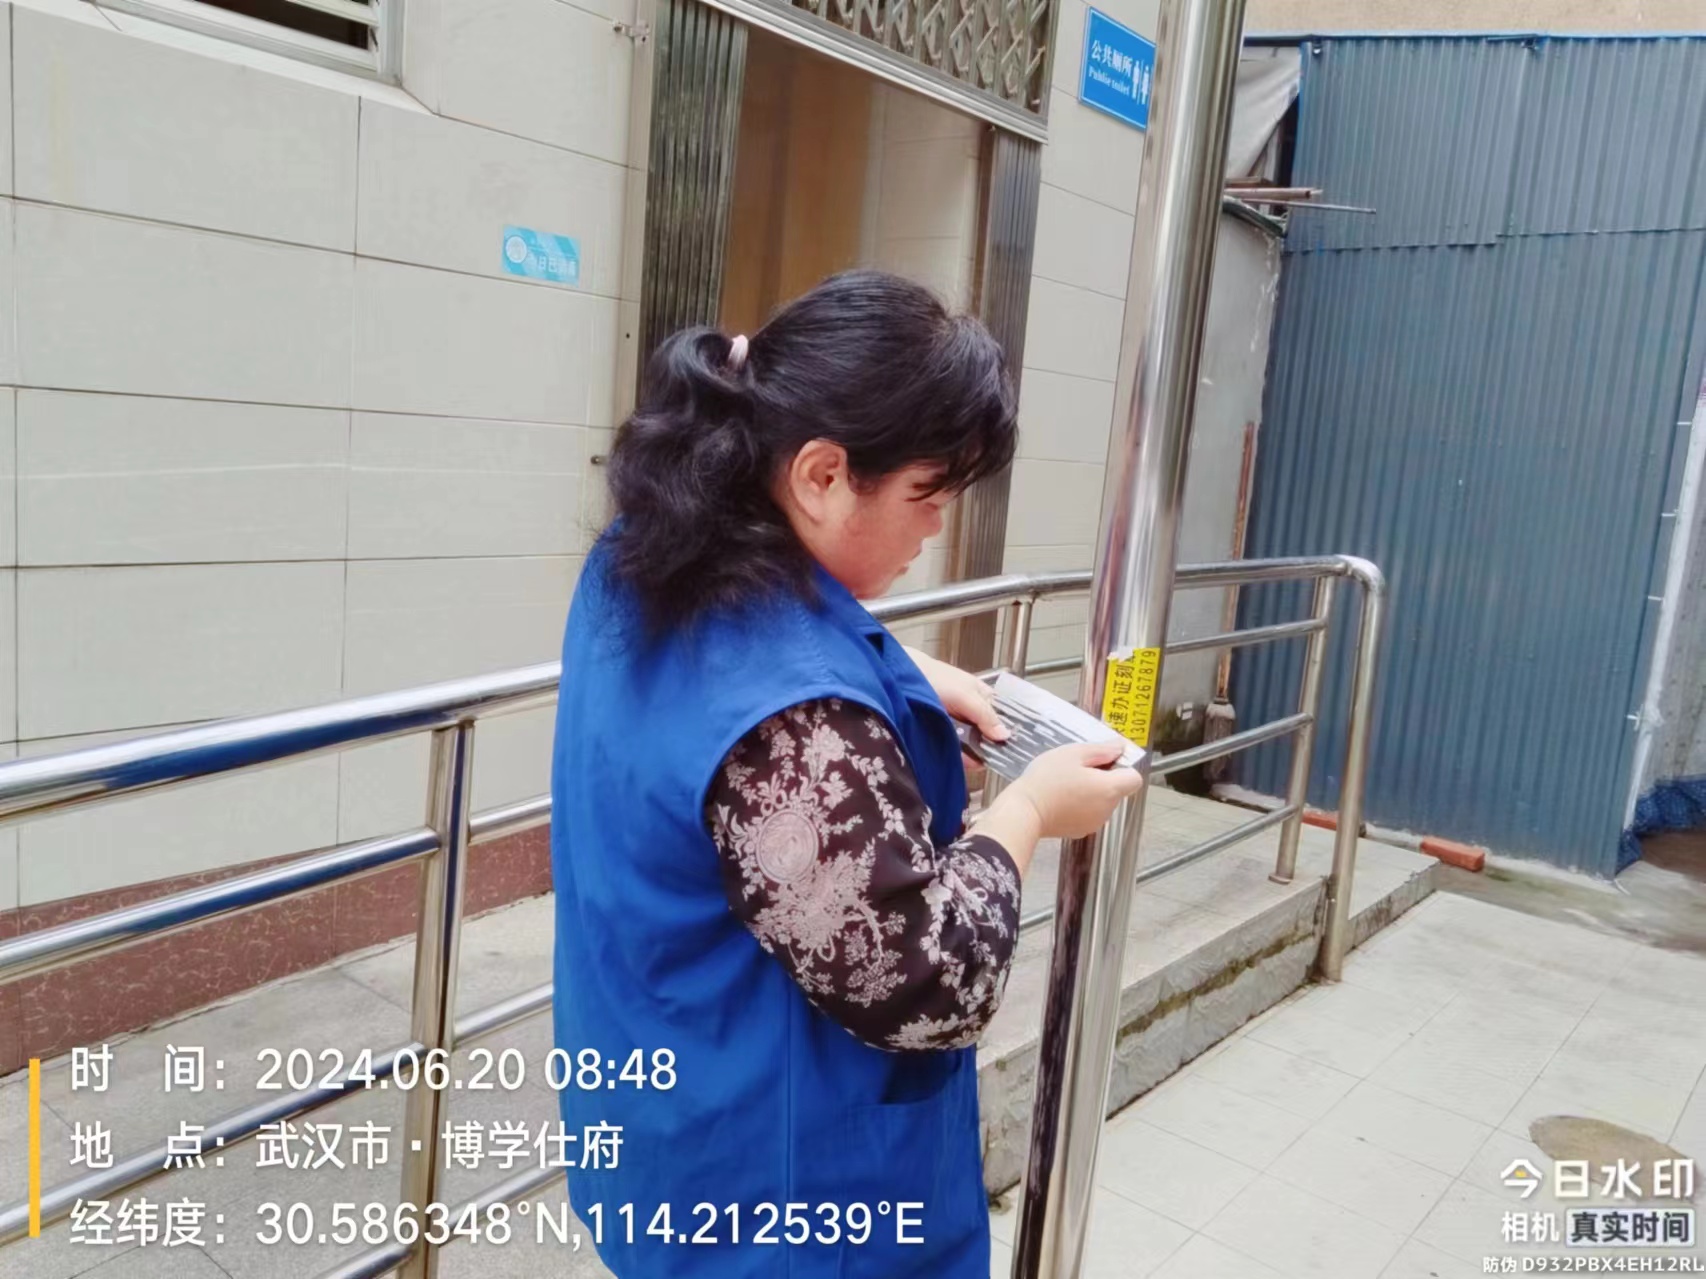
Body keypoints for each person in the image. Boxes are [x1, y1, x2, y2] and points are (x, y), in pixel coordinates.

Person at [549, 270, 1143, 1277]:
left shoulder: (642, 552)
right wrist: (1031, 809)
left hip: (670, 1101)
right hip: (784, 1199)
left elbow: (750, 658)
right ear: (822, 474)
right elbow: (925, 979)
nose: (937, 527)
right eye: (926, 493)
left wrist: (900, 673)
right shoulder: (797, 721)